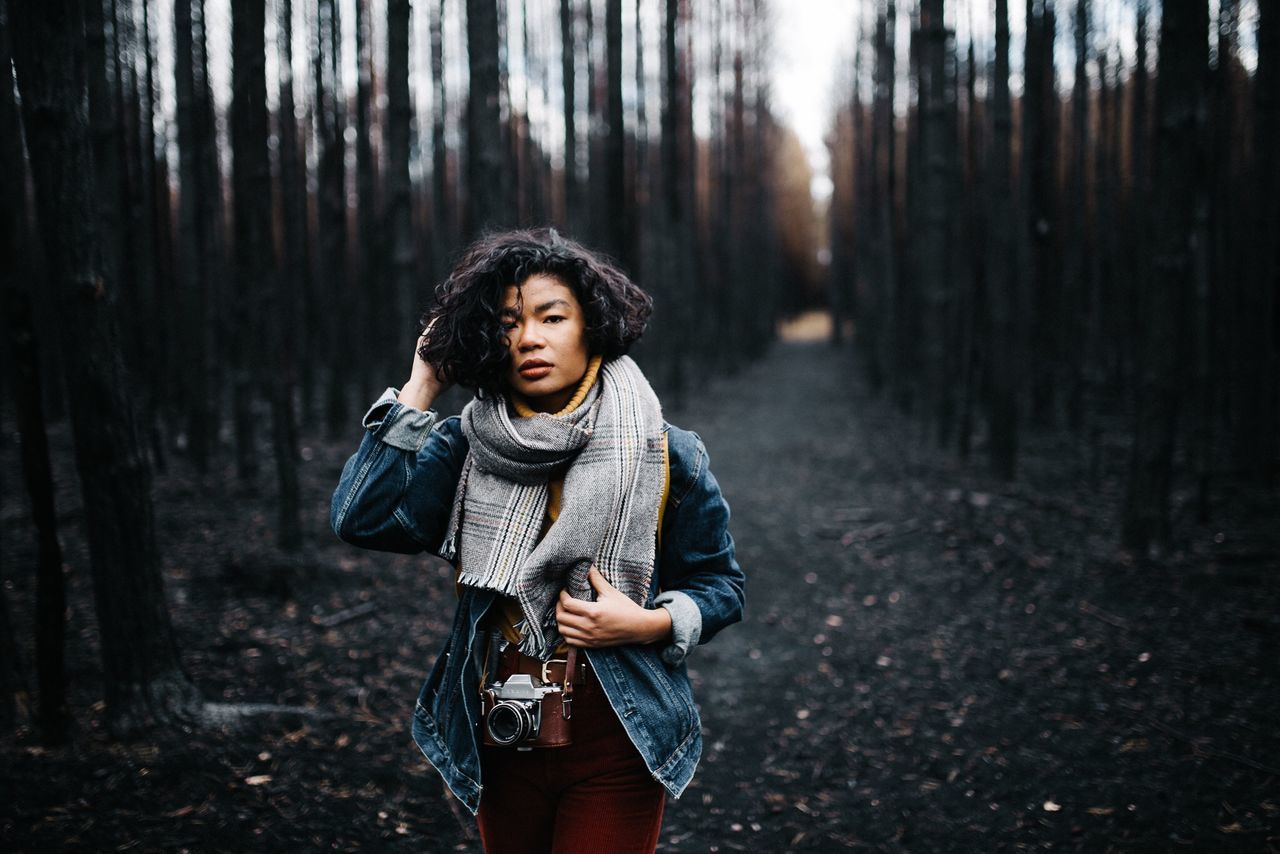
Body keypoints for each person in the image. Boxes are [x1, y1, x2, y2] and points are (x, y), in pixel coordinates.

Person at [330, 228, 744, 853]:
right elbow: (361, 517)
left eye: (553, 317)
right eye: (506, 324)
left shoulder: (665, 450)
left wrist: (648, 624)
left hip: (618, 733)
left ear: (591, 326)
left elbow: (721, 586)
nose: (528, 338)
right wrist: (420, 388)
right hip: (499, 731)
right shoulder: (463, 444)